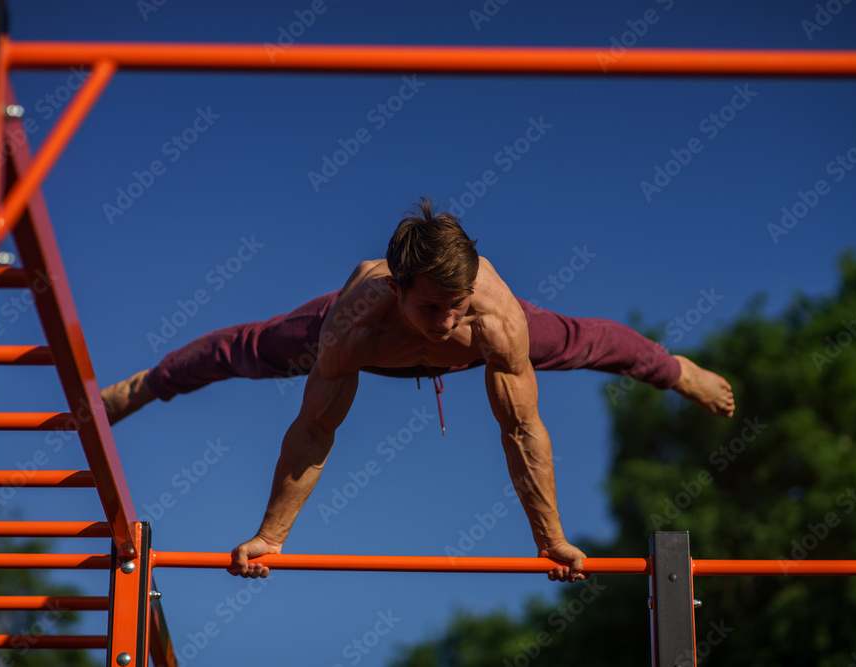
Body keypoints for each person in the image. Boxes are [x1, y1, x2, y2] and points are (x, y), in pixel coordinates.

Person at [102, 197, 735, 583]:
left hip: (480, 353)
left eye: (456, 306)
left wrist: (550, 539)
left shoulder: (493, 319)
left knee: (595, 343)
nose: (447, 322)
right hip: (372, 347)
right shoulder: (353, 318)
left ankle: (680, 371)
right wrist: (271, 536)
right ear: (397, 288)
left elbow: (519, 429)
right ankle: (143, 387)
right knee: (242, 350)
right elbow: (317, 428)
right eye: (433, 307)